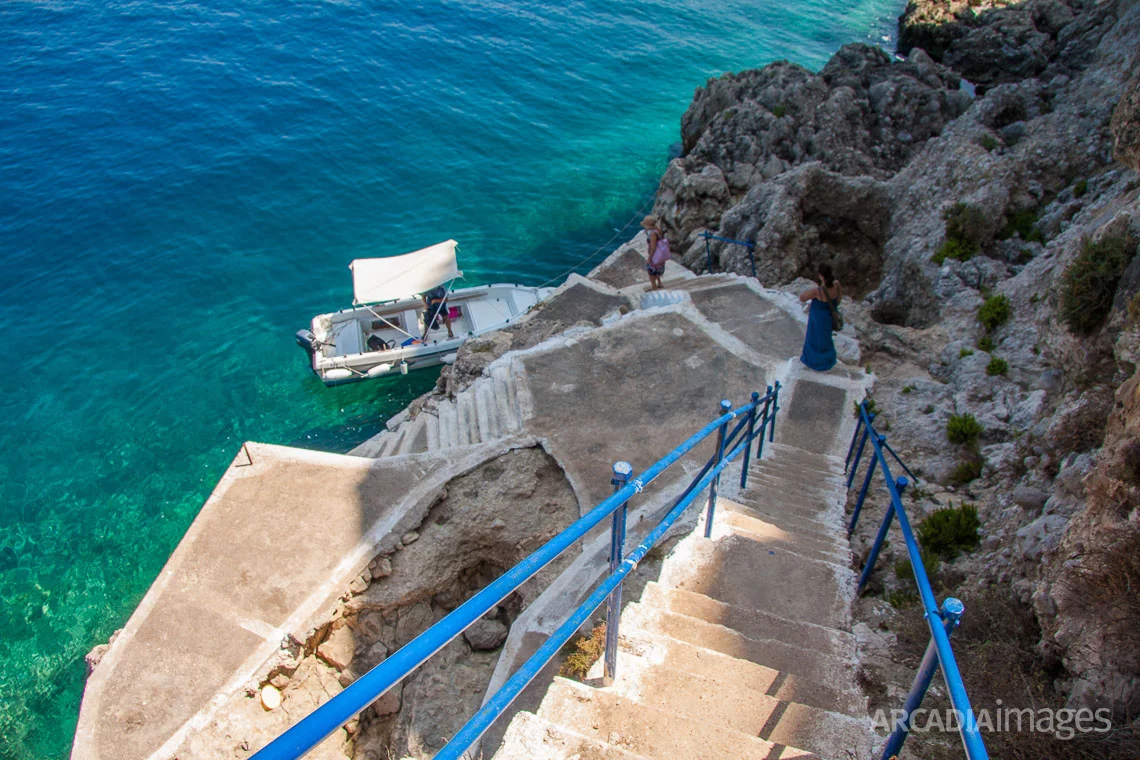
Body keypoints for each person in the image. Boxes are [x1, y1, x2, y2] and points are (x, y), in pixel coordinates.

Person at [799, 264, 841, 371]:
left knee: (814, 339)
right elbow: (838, 300)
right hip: (828, 317)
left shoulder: (818, 291)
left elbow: (802, 298)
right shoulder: (837, 285)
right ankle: (828, 361)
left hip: (818, 318)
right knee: (826, 339)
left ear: (821, 276)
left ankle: (815, 362)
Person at [642, 215, 668, 291]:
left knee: (651, 271)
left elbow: (653, 247)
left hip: (655, 255)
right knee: (658, 268)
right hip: (660, 254)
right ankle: (659, 283)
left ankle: (654, 287)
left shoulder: (652, 234)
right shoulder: (658, 230)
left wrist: (649, 258)